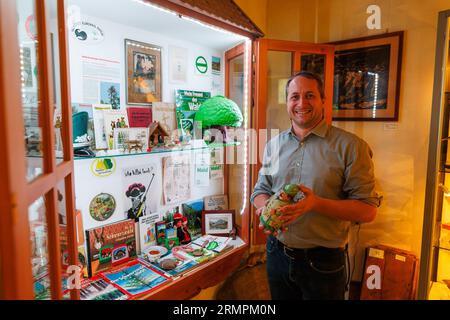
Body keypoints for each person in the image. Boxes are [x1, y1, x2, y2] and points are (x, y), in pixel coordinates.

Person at [250, 71, 380, 300]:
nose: (301, 103)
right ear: (287, 102)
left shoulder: (351, 147)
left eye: (310, 95)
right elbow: (260, 191)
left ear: (323, 101)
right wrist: (265, 210)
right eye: (295, 96)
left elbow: (367, 210)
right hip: (276, 254)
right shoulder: (273, 145)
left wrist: (315, 204)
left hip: (323, 262)